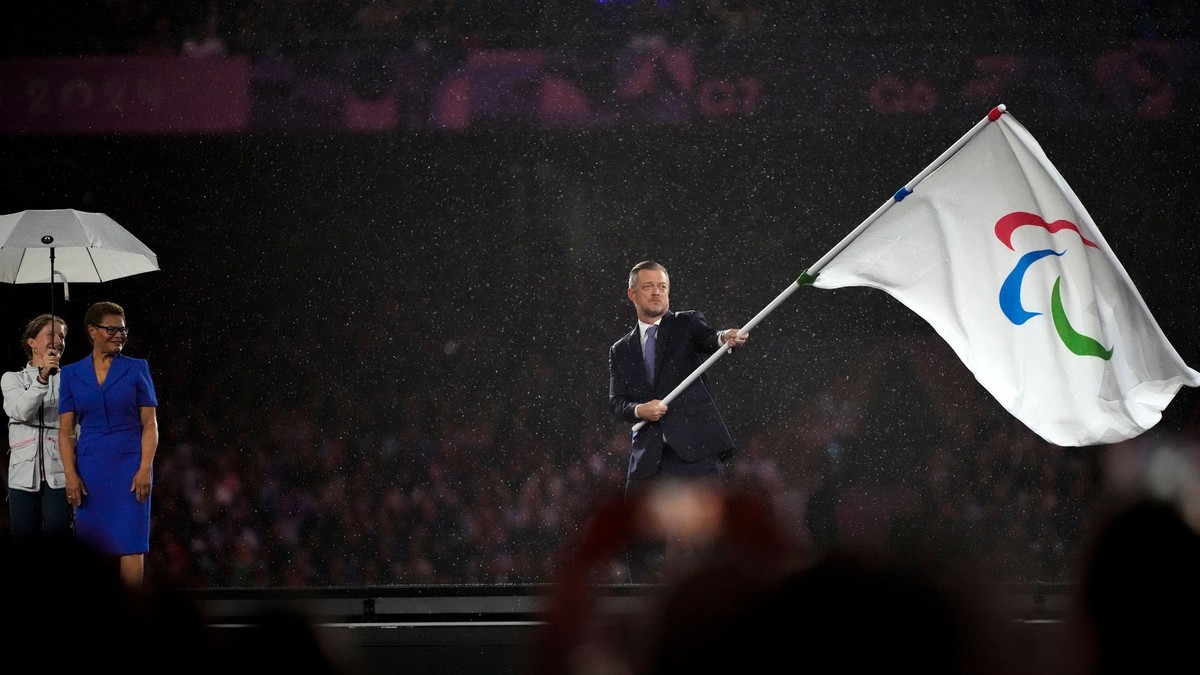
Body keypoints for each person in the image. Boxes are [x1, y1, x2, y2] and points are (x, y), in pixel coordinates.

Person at [608, 260, 748, 582]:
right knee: (641, 542)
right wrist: (639, 410)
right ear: (632, 294)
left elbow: (709, 338)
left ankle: (727, 610)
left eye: (662, 287)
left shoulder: (686, 324)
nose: (657, 293)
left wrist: (724, 337)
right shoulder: (621, 350)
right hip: (648, 458)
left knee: (711, 542)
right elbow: (617, 403)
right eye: (648, 287)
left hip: (695, 452)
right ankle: (644, 615)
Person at [58, 301, 159, 587]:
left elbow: (150, 424)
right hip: (90, 468)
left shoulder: (138, 368)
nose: (120, 335)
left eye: (123, 329)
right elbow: (65, 431)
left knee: (131, 543)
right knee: (92, 548)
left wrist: (145, 468)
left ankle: (131, 615)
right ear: (92, 331)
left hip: (130, 466)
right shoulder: (71, 374)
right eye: (112, 329)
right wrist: (70, 474)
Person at [3, 313, 70, 547]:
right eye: (51, 334)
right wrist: (42, 377)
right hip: (22, 476)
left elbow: (76, 425)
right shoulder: (11, 379)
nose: (59, 340)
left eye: (62, 336)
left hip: (59, 474)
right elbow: (21, 411)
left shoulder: (69, 380)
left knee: (58, 541)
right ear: (32, 342)